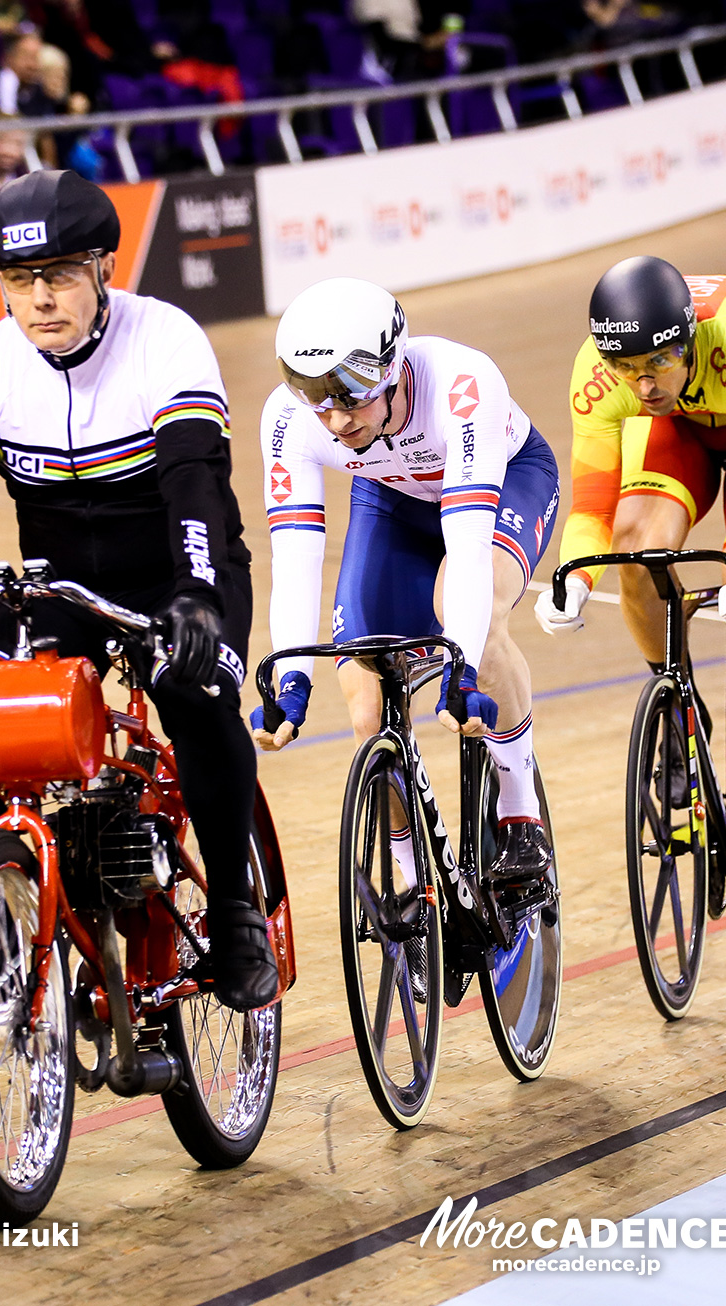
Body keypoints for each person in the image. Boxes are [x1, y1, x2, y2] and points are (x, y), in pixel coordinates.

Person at [0, 171, 279, 1013]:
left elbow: (196, 481)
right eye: (19, 281)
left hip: (177, 568)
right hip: (60, 584)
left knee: (194, 695)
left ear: (104, 270)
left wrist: (197, 593)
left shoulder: (168, 340)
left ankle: (232, 907)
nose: (40, 300)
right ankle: (2, 919)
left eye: (59, 276)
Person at [252, 278, 560, 895]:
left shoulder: (462, 384)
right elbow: (294, 558)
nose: (335, 421)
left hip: (502, 487)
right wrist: (291, 682)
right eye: (317, 398)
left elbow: (468, 549)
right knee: (364, 694)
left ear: (391, 372)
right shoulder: (289, 420)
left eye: (351, 398)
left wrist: (462, 669)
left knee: (467, 610)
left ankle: (520, 810)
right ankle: (416, 885)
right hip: (392, 501)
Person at [536, 256, 726, 916]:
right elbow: (592, 507)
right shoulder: (603, 373)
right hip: (682, 433)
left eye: (658, 362)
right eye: (626, 367)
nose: (642, 381)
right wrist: (577, 581)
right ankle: (677, 707)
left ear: (688, 339)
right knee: (638, 547)